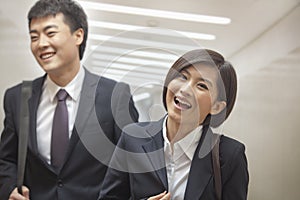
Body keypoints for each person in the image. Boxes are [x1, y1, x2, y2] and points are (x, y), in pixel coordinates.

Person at [0, 0, 139, 199]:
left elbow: (131, 163)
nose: (41, 44)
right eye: (34, 36)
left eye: (50, 33)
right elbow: (7, 159)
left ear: (78, 35)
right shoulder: (17, 97)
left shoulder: (115, 96)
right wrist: (9, 189)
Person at [99, 49, 249, 200]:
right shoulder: (133, 138)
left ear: (216, 106)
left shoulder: (230, 155)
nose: (185, 89)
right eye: (183, 77)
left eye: (202, 85)